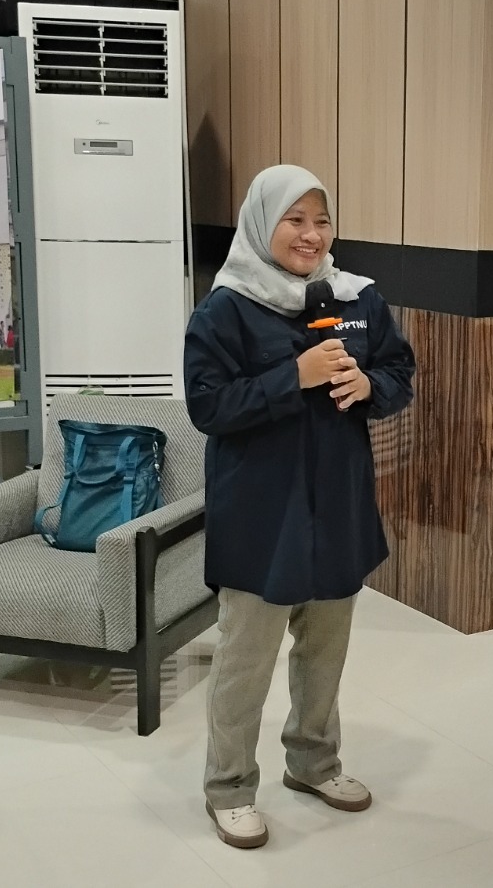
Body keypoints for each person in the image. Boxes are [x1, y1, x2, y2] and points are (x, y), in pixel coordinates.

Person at [183, 164, 416, 849]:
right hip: (263, 516)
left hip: (338, 506)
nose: (311, 235)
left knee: (325, 654)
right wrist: (295, 375)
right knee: (245, 662)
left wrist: (368, 386)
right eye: (295, 219)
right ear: (263, 224)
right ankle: (228, 788)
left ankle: (314, 763)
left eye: (321, 220)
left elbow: (399, 371)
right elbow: (208, 407)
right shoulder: (226, 309)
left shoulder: (355, 298)